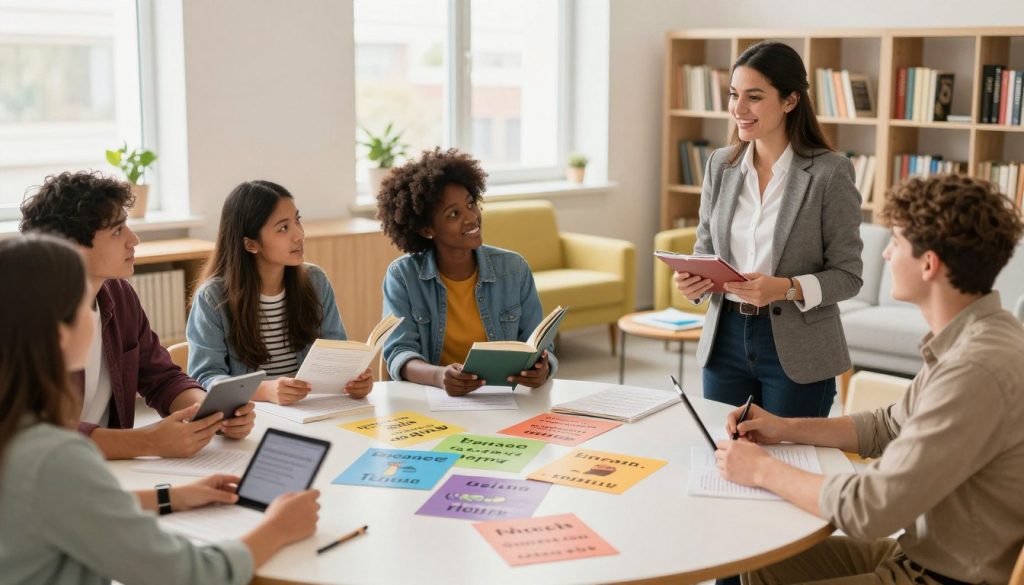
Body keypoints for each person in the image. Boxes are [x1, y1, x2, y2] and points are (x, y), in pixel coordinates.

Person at [717, 174, 1024, 585]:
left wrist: (761, 471)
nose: (886, 255)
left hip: (944, 575)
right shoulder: (973, 335)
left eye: (895, 243)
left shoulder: (974, 369)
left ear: (929, 263)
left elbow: (870, 509)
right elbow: (887, 425)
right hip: (916, 552)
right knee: (758, 558)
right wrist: (784, 427)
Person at [0, 233, 321, 585]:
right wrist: (277, 528)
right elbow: (187, 575)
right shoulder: (55, 457)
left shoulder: (19, 433)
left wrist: (171, 497)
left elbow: (66, 504)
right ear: (59, 333)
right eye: (82, 306)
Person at [674, 41, 863, 418]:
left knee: (791, 463)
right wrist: (693, 281)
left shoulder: (829, 173)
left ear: (791, 100)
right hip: (724, 338)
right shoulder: (720, 166)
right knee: (726, 457)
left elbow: (848, 276)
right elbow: (705, 250)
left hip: (799, 346)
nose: (738, 109)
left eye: (754, 97)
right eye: (733, 95)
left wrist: (785, 288)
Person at [19, 171, 255, 460]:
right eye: (118, 231)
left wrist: (208, 412)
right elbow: (35, 432)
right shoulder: (25, 318)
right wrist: (147, 441)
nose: (134, 239)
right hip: (52, 474)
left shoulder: (119, 295)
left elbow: (162, 378)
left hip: (111, 468)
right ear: (73, 247)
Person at [377, 147, 557, 396]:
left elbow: (540, 345)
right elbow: (399, 354)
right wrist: (440, 376)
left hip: (503, 397)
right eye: (453, 214)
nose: (471, 217)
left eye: (471, 204)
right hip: (433, 398)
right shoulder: (403, 277)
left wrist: (543, 369)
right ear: (428, 229)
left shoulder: (514, 269)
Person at [187, 180, 373, 405]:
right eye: (283, 228)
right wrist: (265, 391)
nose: (299, 235)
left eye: (297, 221)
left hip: (312, 408)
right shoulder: (212, 298)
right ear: (250, 244)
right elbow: (205, 378)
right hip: (252, 416)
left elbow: (338, 353)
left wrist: (354, 380)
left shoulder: (316, 282)